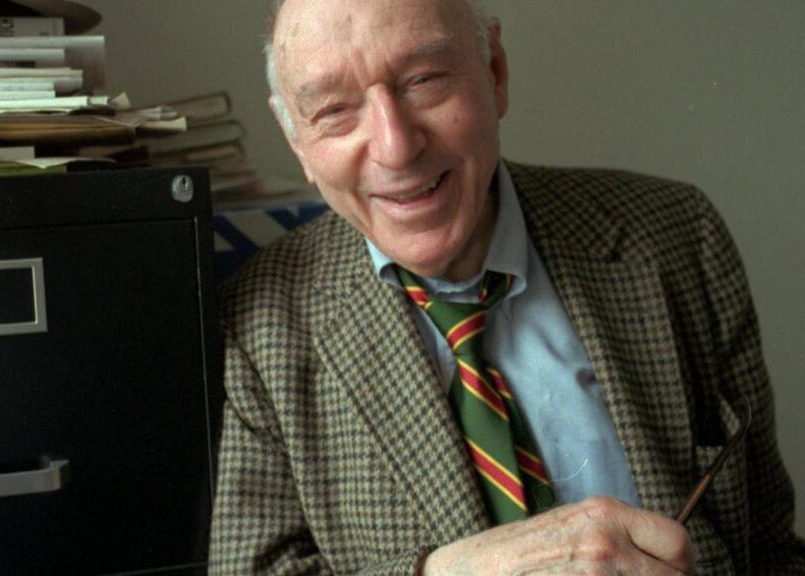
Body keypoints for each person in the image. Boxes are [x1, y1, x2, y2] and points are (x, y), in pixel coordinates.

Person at [208, 0, 805, 573]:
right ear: (296, 140)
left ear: (495, 71)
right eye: (335, 110)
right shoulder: (259, 321)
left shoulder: (678, 237)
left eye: (423, 80)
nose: (396, 147)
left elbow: (770, 547)